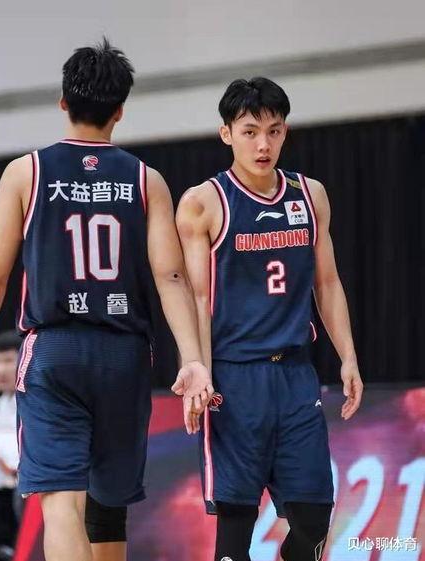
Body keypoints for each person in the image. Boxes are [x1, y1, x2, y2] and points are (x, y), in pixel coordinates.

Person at [0, 38, 212, 561]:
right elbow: (171, 275)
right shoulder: (146, 180)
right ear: (120, 110)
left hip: (55, 351)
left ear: (63, 102)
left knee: (61, 505)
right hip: (124, 353)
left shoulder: (26, 173)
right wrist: (192, 358)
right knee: (108, 507)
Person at [176, 77, 364, 561]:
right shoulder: (203, 202)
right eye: (250, 132)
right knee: (235, 528)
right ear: (226, 134)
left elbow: (327, 283)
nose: (263, 144)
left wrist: (348, 356)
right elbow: (198, 297)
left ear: (285, 133)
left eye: (274, 131)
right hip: (233, 378)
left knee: (314, 517)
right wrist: (198, 368)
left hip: (295, 373)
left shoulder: (309, 194)